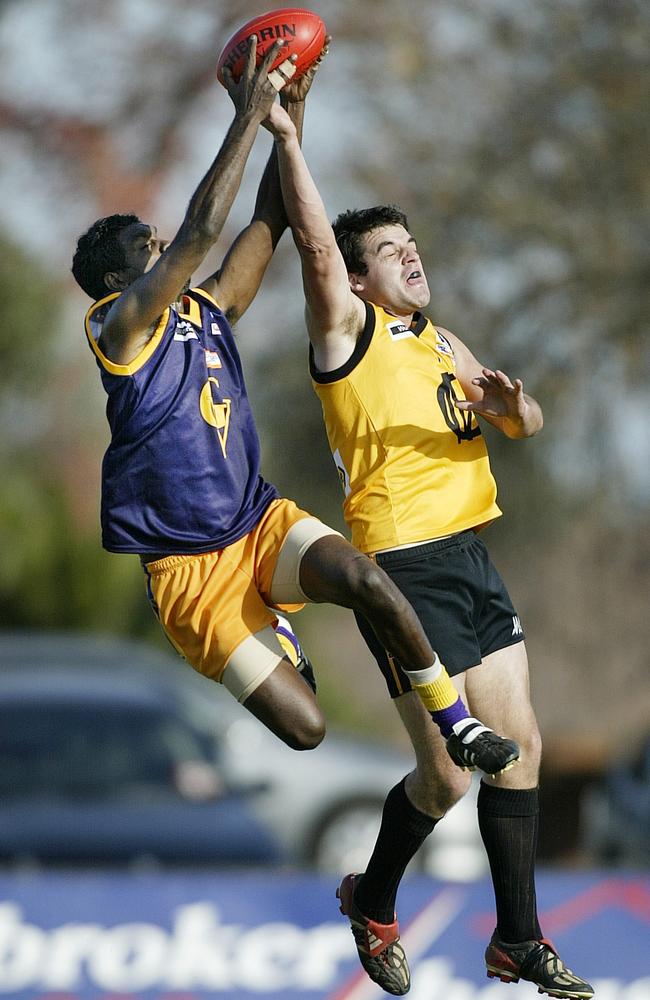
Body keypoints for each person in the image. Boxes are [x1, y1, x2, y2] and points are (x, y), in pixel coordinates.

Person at [71, 38, 518, 803]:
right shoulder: (118, 328)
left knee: (366, 581)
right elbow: (201, 233)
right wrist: (246, 113)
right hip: (191, 577)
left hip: (258, 521)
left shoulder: (204, 309)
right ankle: (271, 635)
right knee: (305, 729)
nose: (164, 249)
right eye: (149, 249)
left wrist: (291, 104)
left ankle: (457, 723)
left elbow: (269, 217)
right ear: (118, 281)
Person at [267, 97, 594, 999]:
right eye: (388, 252)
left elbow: (523, 422)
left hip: (471, 559)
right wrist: (290, 138)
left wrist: (507, 405)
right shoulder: (348, 333)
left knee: (522, 747)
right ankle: (372, 900)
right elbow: (313, 244)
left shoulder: (440, 341)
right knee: (449, 776)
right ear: (360, 280)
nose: (410, 255)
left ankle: (517, 940)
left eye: (411, 243)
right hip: (404, 571)